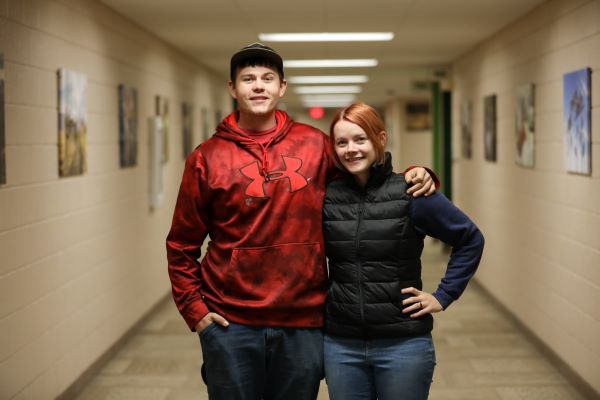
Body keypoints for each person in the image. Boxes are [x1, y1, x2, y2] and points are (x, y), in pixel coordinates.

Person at [166, 43, 437, 400]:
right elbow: (181, 245)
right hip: (231, 320)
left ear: (282, 87)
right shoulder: (207, 157)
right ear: (232, 89)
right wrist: (196, 312)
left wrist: (419, 174)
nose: (258, 86)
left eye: (267, 78)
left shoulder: (314, 144)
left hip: (304, 320)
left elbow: (364, 187)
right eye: (248, 79)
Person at [322, 102, 485, 400]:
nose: (351, 149)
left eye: (360, 139)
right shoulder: (327, 196)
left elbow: (470, 238)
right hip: (341, 344)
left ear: (380, 138)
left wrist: (443, 295)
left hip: (402, 345)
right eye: (341, 142)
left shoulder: (411, 193)